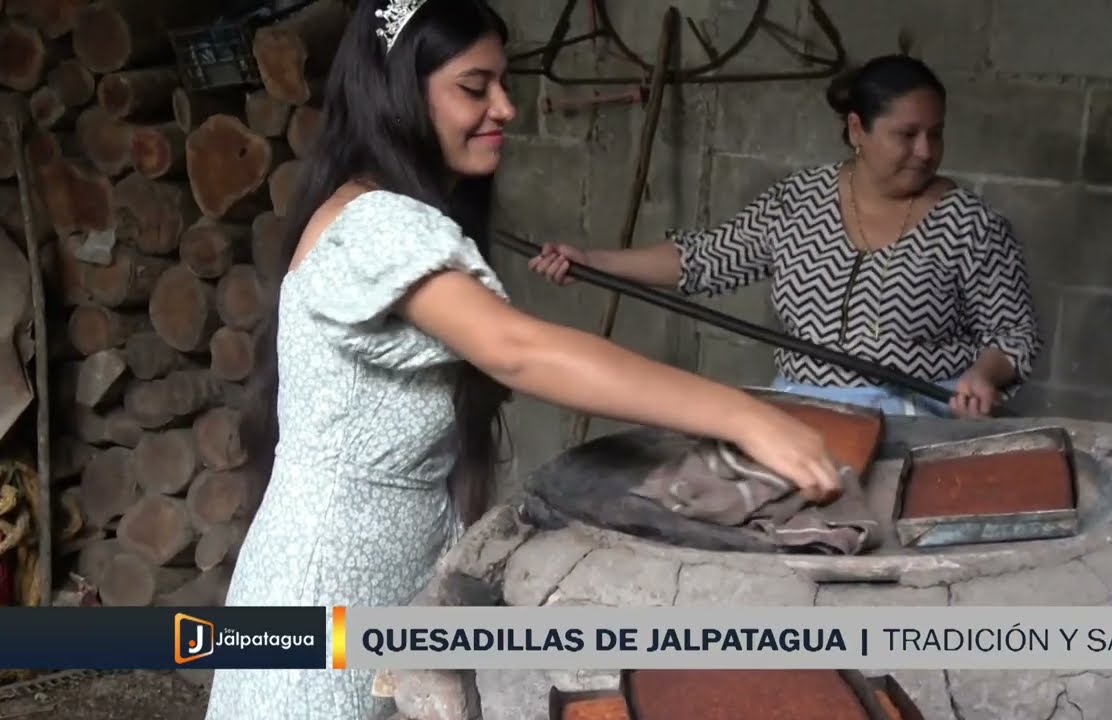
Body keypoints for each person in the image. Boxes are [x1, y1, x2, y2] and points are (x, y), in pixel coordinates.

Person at [203, 1, 845, 718]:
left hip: (383, 570)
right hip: (325, 584)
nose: (505, 107)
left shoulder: (395, 211)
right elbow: (518, 351)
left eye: (503, 84)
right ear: (398, 94)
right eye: (474, 88)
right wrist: (745, 416)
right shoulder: (375, 221)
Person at [530, 54, 1043, 418]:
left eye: (937, 132)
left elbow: (1014, 336)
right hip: (804, 416)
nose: (926, 151)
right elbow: (704, 259)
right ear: (858, 129)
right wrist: (594, 261)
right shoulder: (799, 201)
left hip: (918, 419)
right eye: (907, 134)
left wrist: (985, 376)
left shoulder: (971, 224)